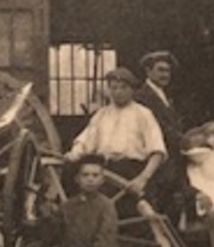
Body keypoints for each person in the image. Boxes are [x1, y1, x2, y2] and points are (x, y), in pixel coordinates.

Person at [67, 67, 166, 219]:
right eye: (113, 88)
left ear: (132, 90)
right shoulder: (102, 114)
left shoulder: (143, 114)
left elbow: (157, 151)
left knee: (136, 218)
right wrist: (75, 153)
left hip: (132, 172)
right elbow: (85, 140)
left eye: (123, 88)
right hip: (105, 173)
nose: (118, 92)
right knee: (99, 214)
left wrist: (142, 179)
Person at [136, 50, 186, 218]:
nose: (165, 74)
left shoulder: (163, 94)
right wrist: (185, 141)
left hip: (171, 157)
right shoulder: (142, 97)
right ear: (148, 71)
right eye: (160, 70)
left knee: (172, 199)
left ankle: (172, 239)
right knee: (160, 200)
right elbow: (160, 128)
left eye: (168, 71)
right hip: (157, 158)